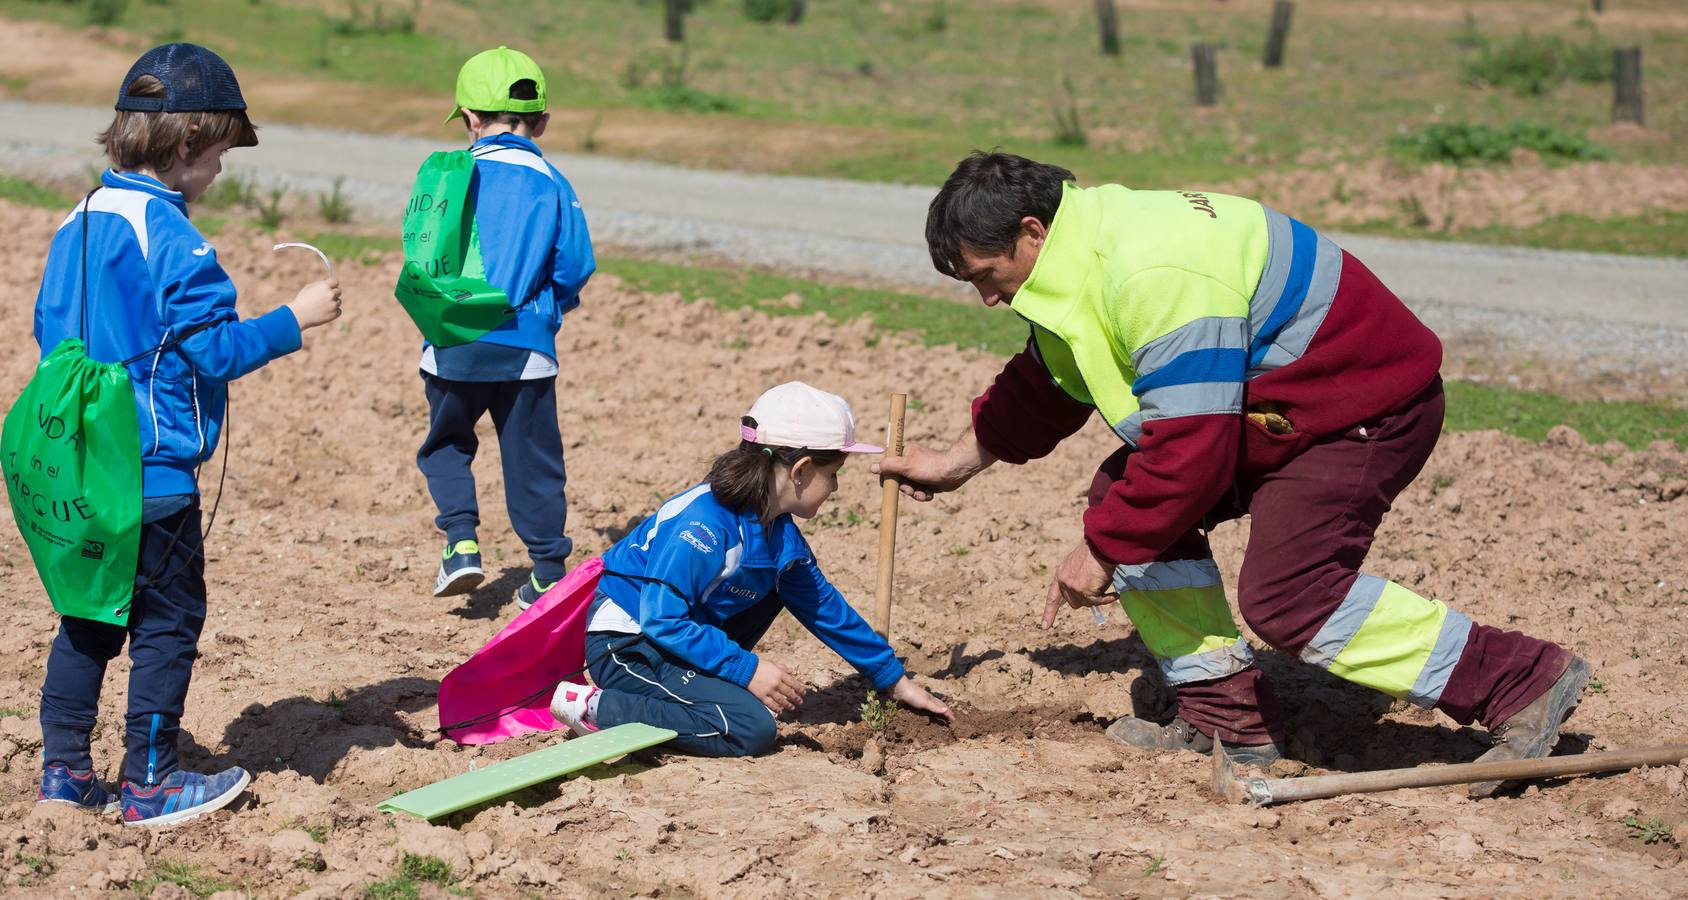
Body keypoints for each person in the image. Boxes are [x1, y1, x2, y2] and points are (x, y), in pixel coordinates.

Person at [875, 151, 1587, 797]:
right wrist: (957, 463)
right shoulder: (1082, 249)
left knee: (1289, 598)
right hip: (1277, 413)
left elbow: (1191, 449)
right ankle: (1228, 720)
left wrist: (1102, 548)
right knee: (1127, 505)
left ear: (1030, 232)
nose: (989, 299)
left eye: (985, 277)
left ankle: (1520, 681)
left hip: (1362, 408)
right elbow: (1050, 378)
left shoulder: (1151, 270)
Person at [32, 43, 342, 825]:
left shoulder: (80, 217)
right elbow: (214, 349)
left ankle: (65, 772)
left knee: (90, 620)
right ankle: (151, 781)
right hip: (153, 471)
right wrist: (293, 319)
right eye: (218, 157)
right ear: (181, 150)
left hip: (79, 465)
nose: (220, 173)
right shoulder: (174, 239)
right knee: (170, 623)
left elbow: (48, 332)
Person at [548, 382, 952, 756]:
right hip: (630, 645)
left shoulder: (780, 534)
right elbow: (662, 619)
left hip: (673, 639)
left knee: (778, 587)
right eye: (832, 475)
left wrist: (893, 679)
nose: (835, 488)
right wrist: (747, 669)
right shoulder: (703, 525)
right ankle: (598, 707)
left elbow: (823, 607)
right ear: (800, 470)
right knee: (749, 727)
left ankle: (685, 691)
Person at [416, 46, 594, 607]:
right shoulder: (553, 181)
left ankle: (461, 542)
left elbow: (423, 254)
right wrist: (552, 306)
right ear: (541, 121)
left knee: (446, 445)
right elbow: (574, 265)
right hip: (527, 349)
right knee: (533, 459)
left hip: (454, 342)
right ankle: (546, 570)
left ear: (468, 118)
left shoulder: (448, 174)